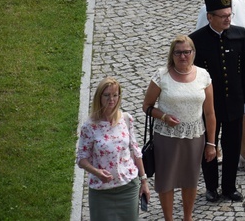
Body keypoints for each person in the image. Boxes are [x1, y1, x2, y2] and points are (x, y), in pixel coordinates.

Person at [142, 35, 216, 221]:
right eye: (178, 53)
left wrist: (211, 143)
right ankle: (169, 219)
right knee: (166, 180)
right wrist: (164, 117)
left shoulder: (203, 76)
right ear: (172, 55)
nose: (183, 56)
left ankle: (187, 218)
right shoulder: (162, 76)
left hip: (195, 136)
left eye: (186, 52)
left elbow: (210, 113)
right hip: (166, 137)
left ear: (193, 53)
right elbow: (147, 106)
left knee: (190, 180)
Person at [195, 0, 245, 171]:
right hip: (217, 68)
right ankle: (215, 148)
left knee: (244, 110)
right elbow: (200, 41)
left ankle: (244, 150)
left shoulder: (240, 1)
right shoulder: (205, 11)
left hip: (239, 62)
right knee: (216, 109)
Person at [190, 0, 245, 202]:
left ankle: (229, 187)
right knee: (209, 145)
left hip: (234, 101)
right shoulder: (196, 40)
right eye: (223, 16)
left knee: (232, 145)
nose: (228, 19)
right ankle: (211, 188)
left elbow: (244, 70)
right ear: (210, 17)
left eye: (229, 14)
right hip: (208, 106)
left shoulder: (239, 34)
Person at [76, 77, 150, 220]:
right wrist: (96, 172)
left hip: (128, 186)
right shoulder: (89, 126)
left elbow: (135, 151)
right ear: (99, 97)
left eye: (115, 95)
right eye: (107, 95)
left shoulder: (126, 119)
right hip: (101, 191)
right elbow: (81, 159)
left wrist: (144, 181)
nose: (112, 99)